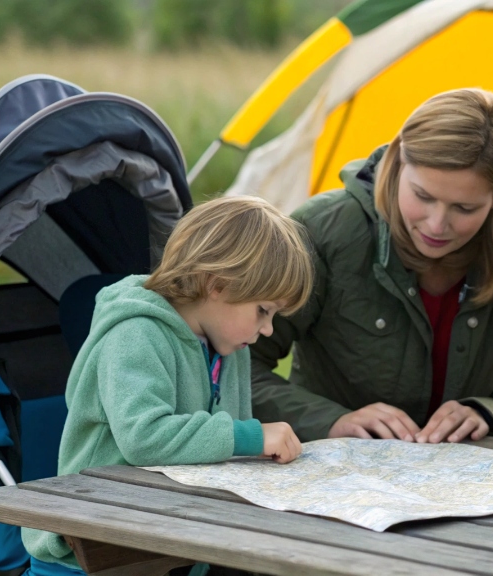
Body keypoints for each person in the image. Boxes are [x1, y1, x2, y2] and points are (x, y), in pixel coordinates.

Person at [21, 196, 313, 575]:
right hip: (90, 552)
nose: (268, 329)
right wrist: (251, 438)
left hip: (166, 544)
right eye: (263, 310)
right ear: (218, 285)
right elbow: (144, 436)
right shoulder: (135, 332)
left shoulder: (229, 346)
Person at [250, 88, 493, 444]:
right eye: (423, 196)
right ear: (396, 164)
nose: (437, 224)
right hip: (330, 472)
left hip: (461, 486)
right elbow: (234, 370)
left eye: (464, 208)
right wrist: (332, 421)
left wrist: (488, 413)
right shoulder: (322, 231)